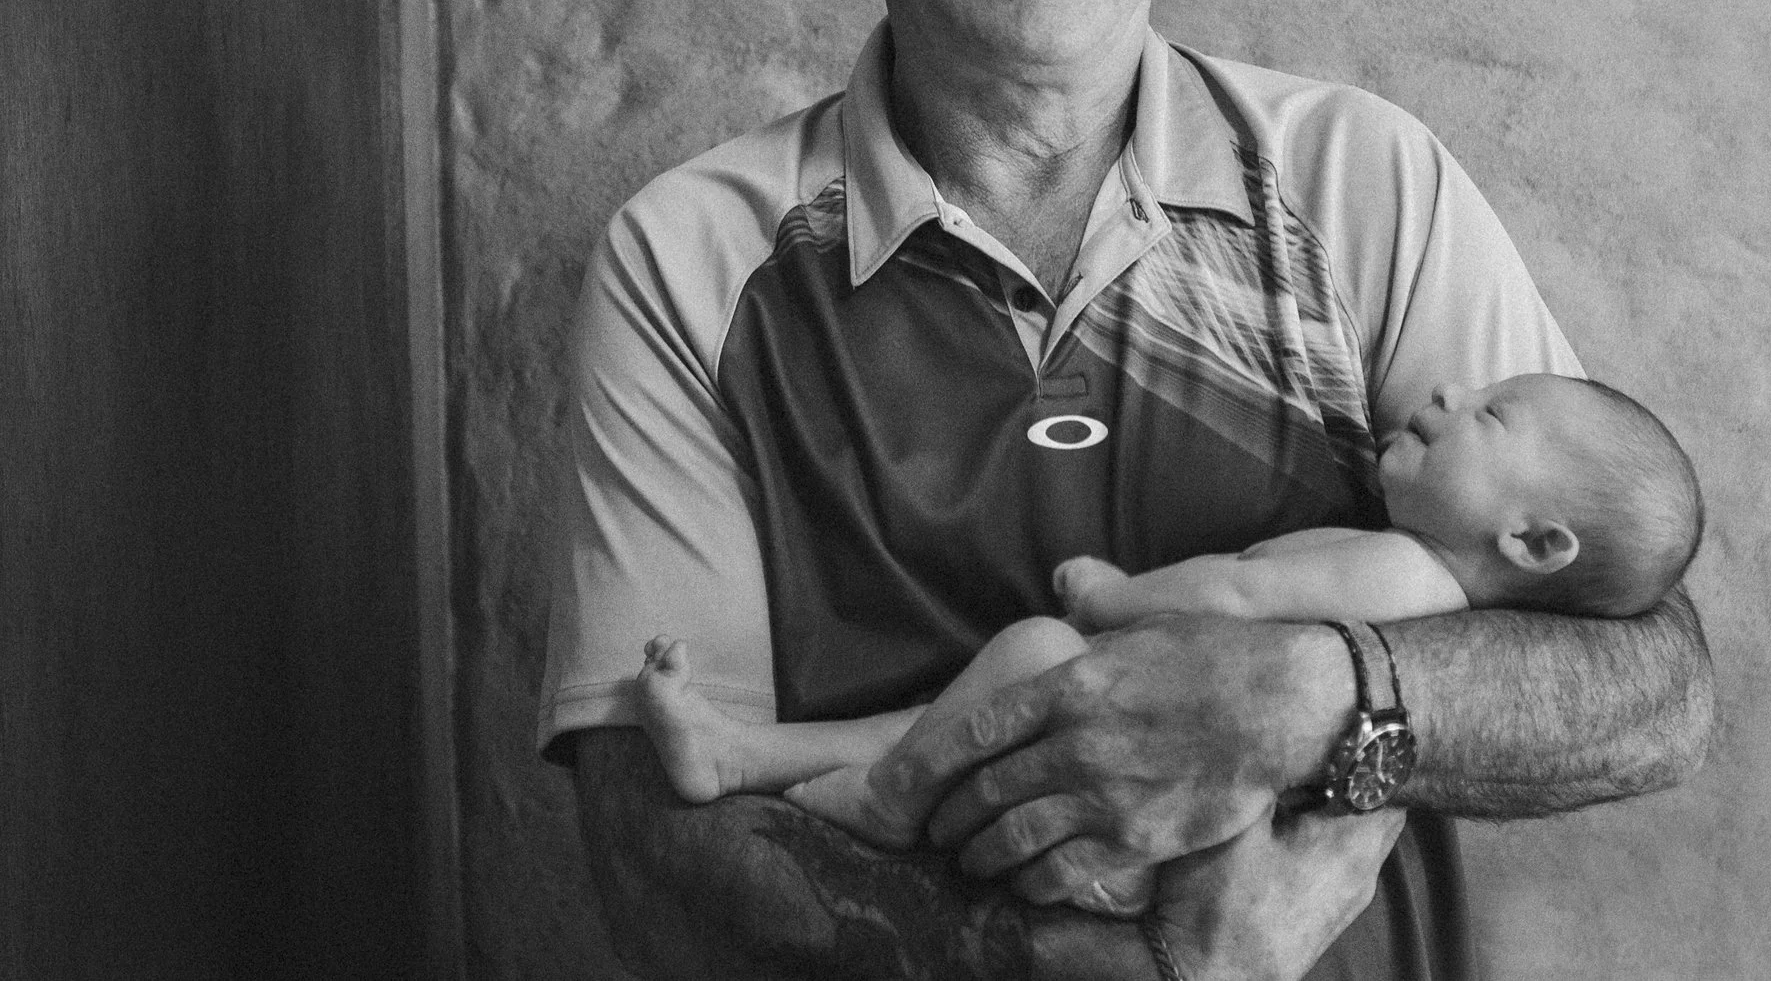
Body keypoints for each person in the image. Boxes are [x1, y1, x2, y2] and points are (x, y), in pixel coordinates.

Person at [541, 0, 1716, 980]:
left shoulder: (1360, 186)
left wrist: (1316, 695)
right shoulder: (687, 265)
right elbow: (655, 841)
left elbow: (1651, 685)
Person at [631, 371, 1703, 918]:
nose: (1445, 390)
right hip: (1160, 827)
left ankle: (875, 792)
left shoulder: (1402, 575)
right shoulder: (1415, 560)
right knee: (972, 698)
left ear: (1533, 539)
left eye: (1492, 414)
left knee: (1034, 648)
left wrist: (1115, 592)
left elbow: (1240, 591)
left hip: (1169, 827)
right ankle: (748, 755)